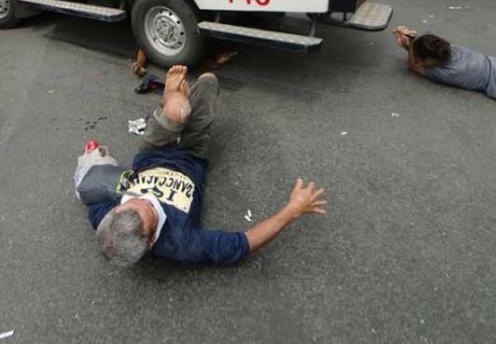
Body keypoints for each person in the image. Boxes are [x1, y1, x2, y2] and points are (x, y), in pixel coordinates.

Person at [84, 66, 326, 267]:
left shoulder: (104, 219)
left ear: (113, 214)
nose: (148, 200)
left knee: (178, 111)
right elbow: (246, 243)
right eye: (150, 212)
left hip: (153, 151)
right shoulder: (182, 244)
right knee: (209, 82)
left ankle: (170, 98)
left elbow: (90, 187)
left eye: (135, 201)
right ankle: (175, 106)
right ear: (150, 242)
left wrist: (94, 159)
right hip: (191, 155)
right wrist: (292, 210)